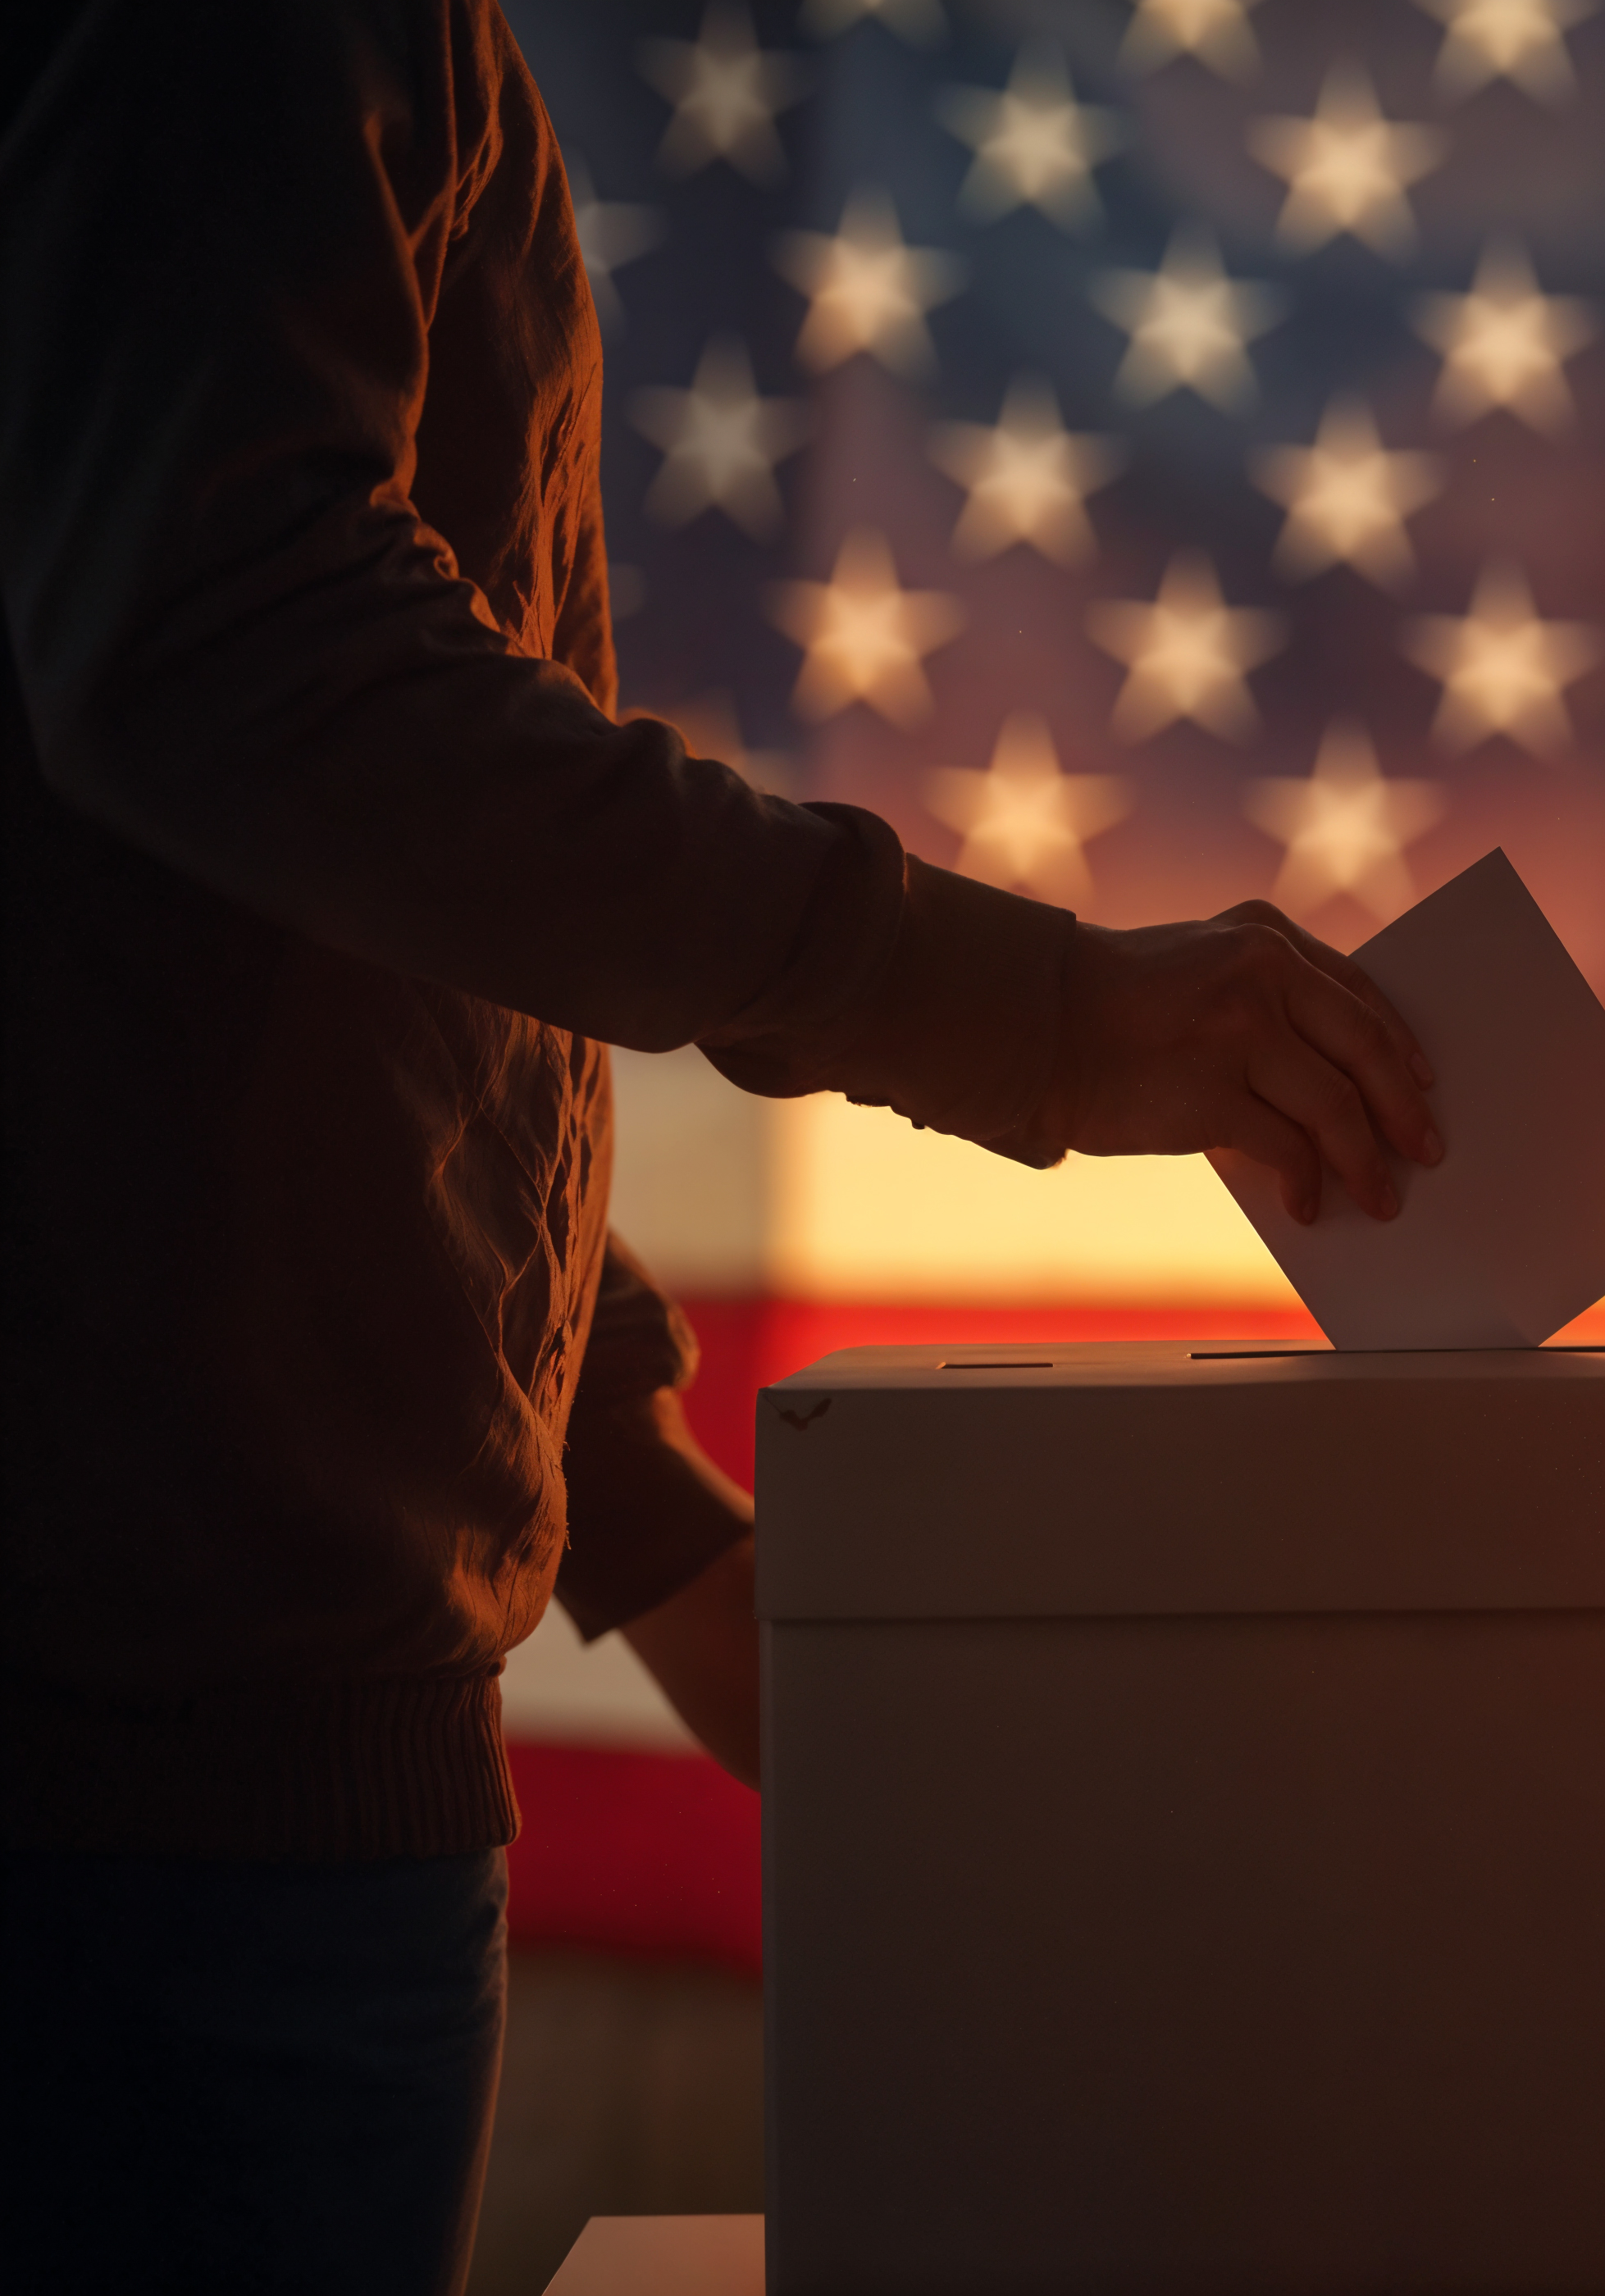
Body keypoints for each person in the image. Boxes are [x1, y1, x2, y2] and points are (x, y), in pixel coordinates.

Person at [0, 4, 1441, 2287]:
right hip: (156, 1800)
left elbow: (230, 923)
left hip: (209, 1732)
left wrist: (640, 1505)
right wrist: (1033, 1018)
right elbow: (235, 651)